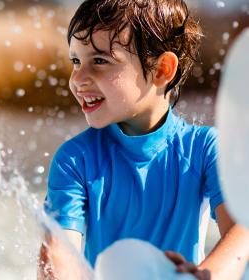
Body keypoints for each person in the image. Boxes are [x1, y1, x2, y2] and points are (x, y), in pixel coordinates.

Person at [38, 0, 249, 279]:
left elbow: (241, 231)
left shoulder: (205, 150)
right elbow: (57, 261)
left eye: (99, 61)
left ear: (162, 70)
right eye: (76, 61)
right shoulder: (76, 160)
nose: (78, 79)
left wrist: (205, 274)